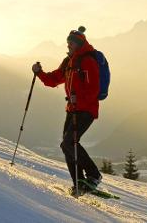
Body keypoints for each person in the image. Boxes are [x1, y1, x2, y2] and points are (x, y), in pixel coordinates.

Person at [32, 26, 102, 194]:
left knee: (69, 142)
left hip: (86, 110)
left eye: (71, 42)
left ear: (79, 44)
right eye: (68, 42)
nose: (68, 45)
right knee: (66, 145)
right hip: (72, 109)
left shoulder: (87, 61)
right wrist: (39, 72)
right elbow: (53, 79)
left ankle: (94, 175)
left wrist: (78, 97)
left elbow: (94, 89)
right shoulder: (69, 62)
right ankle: (79, 183)